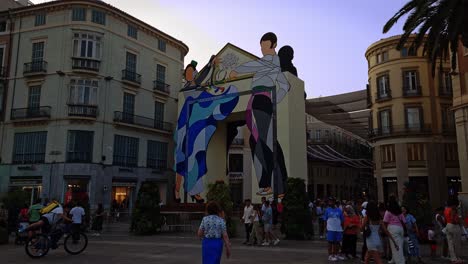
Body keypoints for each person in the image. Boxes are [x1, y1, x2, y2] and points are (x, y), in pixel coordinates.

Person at [229, 32, 290, 196]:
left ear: (273, 45)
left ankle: (276, 185)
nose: (262, 48)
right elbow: (284, 86)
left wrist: (237, 70)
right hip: (260, 101)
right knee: (260, 141)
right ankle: (272, 184)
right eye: (261, 45)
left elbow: (253, 66)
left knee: (264, 142)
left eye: (264, 45)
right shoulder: (272, 64)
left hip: (261, 101)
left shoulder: (270, 60)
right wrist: (275, 100)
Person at [383, 198, 405, 264]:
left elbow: (385, 221)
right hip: (400, 229)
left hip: (392, 229)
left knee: (396, 247)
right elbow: (404, 221)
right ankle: (393, 259)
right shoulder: (399, 211)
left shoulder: (388, 211)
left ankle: (400, 262)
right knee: (399, 245)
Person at [323, 197, 345, 262]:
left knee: (337, 242)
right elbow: (325, 219)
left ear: (334, 202)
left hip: (338, 229)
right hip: (330, 229)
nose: (330, 202)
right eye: (329, 201)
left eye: (331, 201)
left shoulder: (339, 210)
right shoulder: (327, 210)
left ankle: (336, 254)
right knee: (330, 242)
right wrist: (325, 228)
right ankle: (330, 255)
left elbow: (342, 220)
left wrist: (342, 228)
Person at [445, 199, 463, 264]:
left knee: (450, 243)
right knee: (457, 243)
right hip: (454, 226)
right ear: (454, 204)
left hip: (448, 225)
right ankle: (458, 258)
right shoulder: (453, 209)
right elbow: (453, 219)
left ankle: (453, 259)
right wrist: (458, 221)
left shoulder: (446, 209)